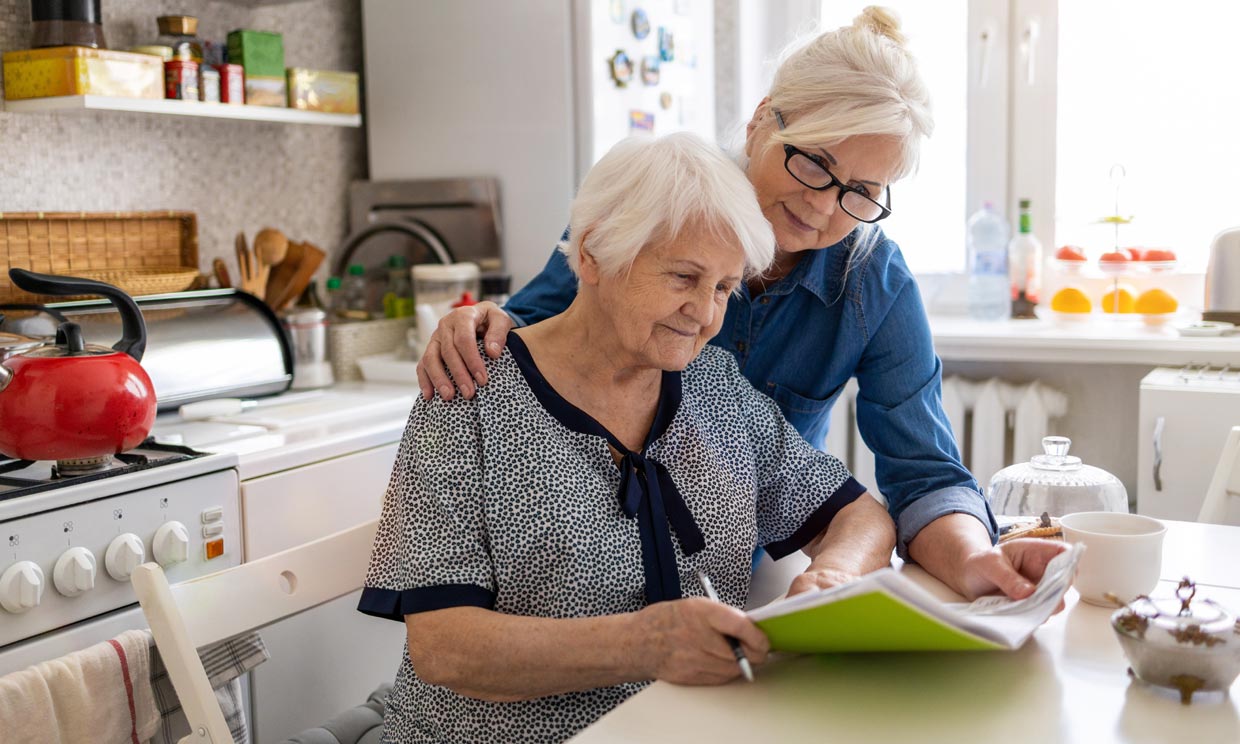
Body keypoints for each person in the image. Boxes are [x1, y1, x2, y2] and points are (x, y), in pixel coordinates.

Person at [416, 6, 1067, 603]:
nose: (821, 205)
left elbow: (924, 475)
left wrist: (976, 559)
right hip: (580, 574)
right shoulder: (654, 205)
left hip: (737, 576)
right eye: (814, 162)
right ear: (762, 121)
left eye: (861, 191)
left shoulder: (874, 281)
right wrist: (477, 324)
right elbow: (533, 335)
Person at [359, 132, 898, 743]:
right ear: (592, 254)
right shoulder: (470, 393)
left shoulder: (713, 386)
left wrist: (835, 578)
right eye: (683, 277)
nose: (704, 314)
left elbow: (859, 516)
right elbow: (446, 648)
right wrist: (645, 645)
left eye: (723, 288)